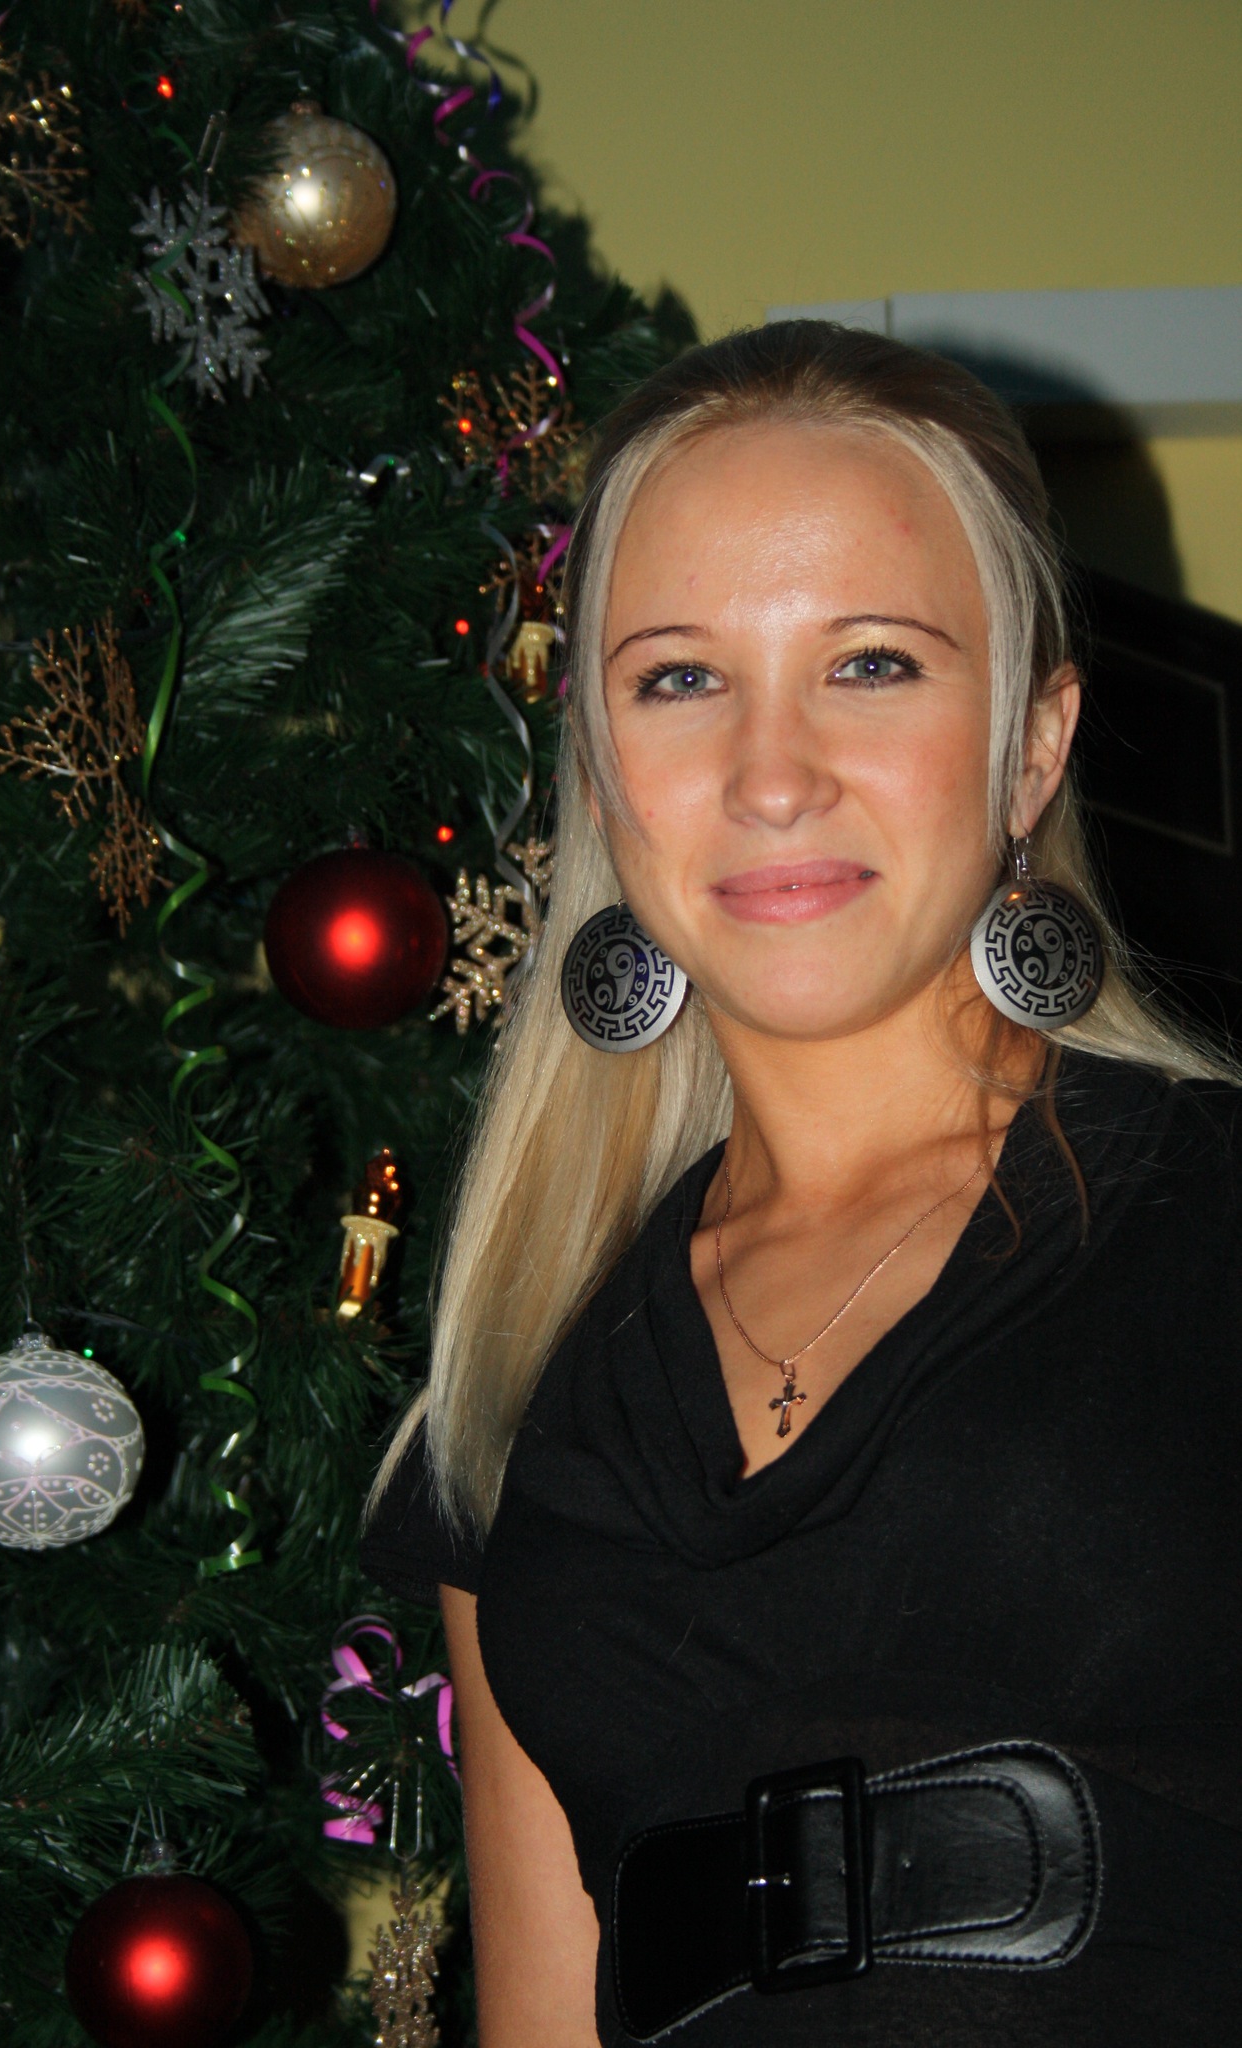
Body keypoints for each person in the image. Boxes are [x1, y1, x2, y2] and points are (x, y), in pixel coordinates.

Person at [361, 322, 1242, 2046]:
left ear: (1032, 745)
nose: (771, 776)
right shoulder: (516, 1388)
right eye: (678, 680)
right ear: (601, 772)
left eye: (871, 664)